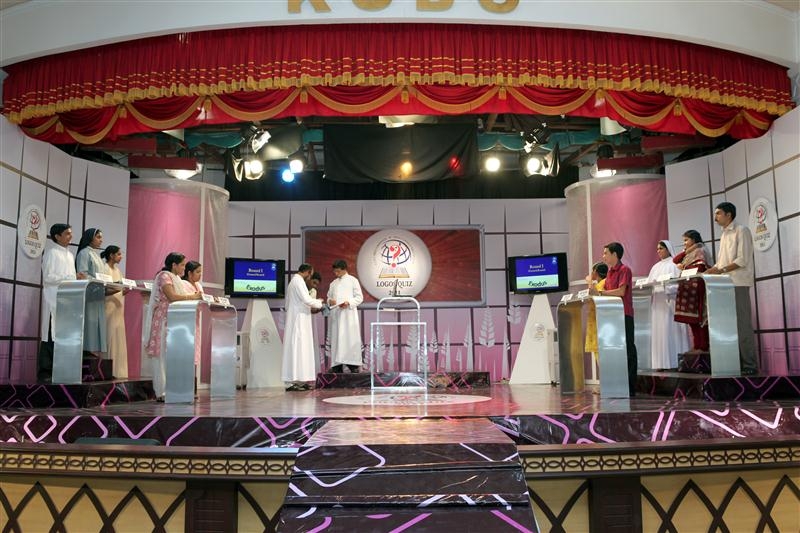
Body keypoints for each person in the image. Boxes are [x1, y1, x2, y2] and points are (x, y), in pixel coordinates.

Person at [705, 202, 757, 375]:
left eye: (718, 213)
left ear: (729, 215)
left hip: (739, 283)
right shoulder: (724, 235)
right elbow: (721, 262)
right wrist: (711, 270)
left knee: (743, 325)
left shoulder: (742, 231)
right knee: (729, 327)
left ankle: (750, 366)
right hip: (725, 285)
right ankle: (736, 365)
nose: (715, 217)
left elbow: (742, 259)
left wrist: (720, 270)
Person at [143, 252, 202, 400]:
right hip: (164, 319)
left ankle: (174, 389)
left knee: (173, 355)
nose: (184, 268)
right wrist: (193, 297)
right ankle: (161, 392)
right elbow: (172, 297)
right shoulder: (164, 276)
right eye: (182, 265)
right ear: (174, 265)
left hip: (175, 320)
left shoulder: (177, 279)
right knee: (162, 355)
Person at [38, 223, 84, 382]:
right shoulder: (51, 253)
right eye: (67, 234)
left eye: (71, 233)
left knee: (63, 338)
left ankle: (61, 371)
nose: (71, 236)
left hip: (67, 302)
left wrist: (76, 278)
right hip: (53, 301)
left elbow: (70, 278)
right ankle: (45, 373)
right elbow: (48, 277)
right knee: (50, 336)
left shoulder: (70, 255)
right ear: (57, 236)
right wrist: (71, 278)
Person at [590, 242, 637, 396]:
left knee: (628, 350)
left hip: (624, 314)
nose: (603, 256)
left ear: (615, 254)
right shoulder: (610, 272)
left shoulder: (625, 270)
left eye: (606, 253)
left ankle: (630, 387)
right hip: (612, 316)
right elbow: (606, 292)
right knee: (614, 350)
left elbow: (621, 291)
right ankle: (615, 385)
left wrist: (600, 293)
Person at [645, 240, 688, 369]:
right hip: (658, 303)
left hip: (671, 302)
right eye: (657, 249)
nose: (658, 251)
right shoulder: (655, 267)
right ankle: (660, 363)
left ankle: (675, 362)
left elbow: (680, 284)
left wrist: (667, 288)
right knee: (660, 333)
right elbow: (649, 284)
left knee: (671, 331)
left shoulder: (674, 265)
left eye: (661, 248)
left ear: (668, 249)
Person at [282, 264, 323, 391]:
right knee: (297, 348)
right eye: (310, 274)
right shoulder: (298, 282)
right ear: (308, 272)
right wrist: (320, 303)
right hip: (298, 320)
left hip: (300, 318)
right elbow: (307, 300)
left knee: (302, 349)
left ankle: (300, 380)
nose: (310, 277)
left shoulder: (295, 281)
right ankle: (293, 381)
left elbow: (288, 304)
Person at [673, 230, 711, 352]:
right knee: (691, 319)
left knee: (700, 317)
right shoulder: (689, 252)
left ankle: (703, 346)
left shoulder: (700, 250)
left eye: (686, 240)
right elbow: (675, 260)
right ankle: (696, 345)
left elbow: (700, 267)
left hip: (698, 286)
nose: (684, 243)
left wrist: (684, 267)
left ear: (693, 240)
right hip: (688, 287)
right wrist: (686, 251)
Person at [75, 228, 108, 356]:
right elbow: (82, 275)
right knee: (90, 325)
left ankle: (94, 355)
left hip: (99, 296)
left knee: (98, 325)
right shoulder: (84, 253)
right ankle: (86, 353)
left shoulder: (96, 255)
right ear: (90, 238)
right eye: (98, 237)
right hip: (89, 296)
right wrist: (97, 281)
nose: (101, 240)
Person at [327, 259, 364, 373]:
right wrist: (330, 301)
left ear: (344, 269)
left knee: (349, 338)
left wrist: (348, 303)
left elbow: (359, 297)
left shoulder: (353, 280)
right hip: (336, 315)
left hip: (348, 315)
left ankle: (352, 364)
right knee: (337, 339)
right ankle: (337, 365)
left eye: (338, 271)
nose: (336, 273)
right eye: (335, 271)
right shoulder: (333, 283)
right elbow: (328, 297)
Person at [101, 245, 129, 379]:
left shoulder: (118, 270)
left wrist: (124, 291)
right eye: (118, 254)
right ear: (111, 255)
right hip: (108, 306)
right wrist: (119, 289)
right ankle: (107, 371)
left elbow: (119, 290)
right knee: (109, 336)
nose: (121, 257)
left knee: (118, 337)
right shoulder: (104, 268)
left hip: (118, 307)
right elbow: (103, 290)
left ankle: (119, 371)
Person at [584, 261, 608, 358]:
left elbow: (595, 293)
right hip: (595, 320)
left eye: (592, 271)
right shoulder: (599, 284)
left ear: (595, 272)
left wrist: (590, 282)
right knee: (597, 353)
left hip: (601, 321)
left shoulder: (605, 282)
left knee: (602, 354)